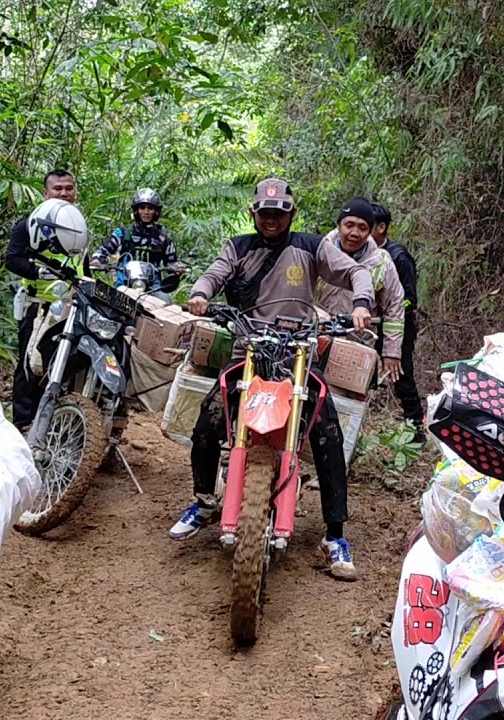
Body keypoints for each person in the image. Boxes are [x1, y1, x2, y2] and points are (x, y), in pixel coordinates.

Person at [169, 177, 375, 581]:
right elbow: (214, 274)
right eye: (264, 213)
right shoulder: (238, 247)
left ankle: (335, 535)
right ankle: (204, 500)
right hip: (249, 348)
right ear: (254, 214)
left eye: (279, 213)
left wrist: (361, 304)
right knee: (210, 421)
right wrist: (200, 294)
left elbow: (356, 273)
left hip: (298, 350)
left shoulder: (312, 247)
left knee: (328, 434)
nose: (271, 220)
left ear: (291, 215)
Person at [3, 168, 85, 431]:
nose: (64, 193)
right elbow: (12, 259)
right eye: (57, 188)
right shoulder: (31, 223)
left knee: (62, 365)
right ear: (45, 192)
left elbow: (81, 263)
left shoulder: (78, 225)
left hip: (71, 308)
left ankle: (53, 424)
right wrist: (39, 272)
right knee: (29, 366)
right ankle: (24, 425)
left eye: (69, 188)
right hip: (37, 306)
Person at [315, 198, 406, 382]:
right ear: (339, 225)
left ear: (370, 231)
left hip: (358, 344)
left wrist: (391, 352)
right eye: (349, 225)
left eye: (362, 228)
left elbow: (394, 308)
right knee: (308, 397)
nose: (354, 233)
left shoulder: (381, 262)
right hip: (316, 339)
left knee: (348, 403)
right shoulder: (316, 251)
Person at [371, 202, 424, 444]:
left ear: (381, 227)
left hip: (399, 326)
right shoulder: (363, 254)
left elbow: (409, 300)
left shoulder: (399, 256)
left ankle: (415, 431)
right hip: (369, 326)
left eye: (365, 225)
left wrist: (389, 313)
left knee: (401, 376)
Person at [91, 187, 187, 299]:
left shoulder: (163, 237)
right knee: (111, 308)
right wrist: (97, 260)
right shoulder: (123, 233)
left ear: (156, 211)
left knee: (166, 303)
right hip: (125, 284)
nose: (146, 212)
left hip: (153, 287)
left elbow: (172, 262)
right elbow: (103, 250)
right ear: (136, 210)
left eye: (150, 208)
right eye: (142, 208)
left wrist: (177, 268)